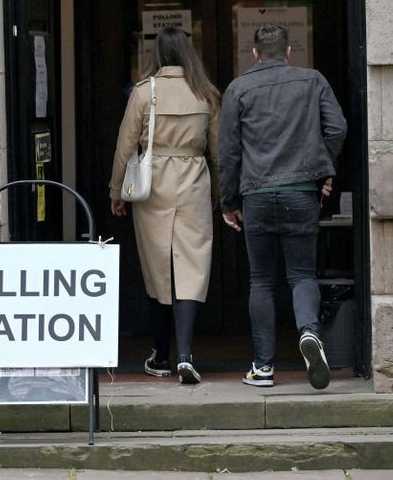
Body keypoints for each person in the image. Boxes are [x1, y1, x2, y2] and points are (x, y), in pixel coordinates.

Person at [218, 23, 347, 390]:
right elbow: (337, 128)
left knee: (261, 280)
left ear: (255, 54)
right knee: (302, 275)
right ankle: (309, 332)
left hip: (256, 195)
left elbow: (228, 153)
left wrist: (229, 203)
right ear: (289, 51)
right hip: (300, 193)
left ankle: (262, 367)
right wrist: (322, 168)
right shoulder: (313, 81)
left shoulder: (238, 88)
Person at [109, 27, 221, 385]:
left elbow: (125, 146)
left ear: (157, 54)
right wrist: (219, 191)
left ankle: (161, 355)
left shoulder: (145, 92)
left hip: (153, 183)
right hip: (193, 180)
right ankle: (186, 354)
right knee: (192, 266)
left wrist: (116, 190)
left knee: (158, 267)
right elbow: (218, 151)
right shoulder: (206, 94)